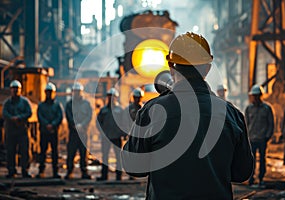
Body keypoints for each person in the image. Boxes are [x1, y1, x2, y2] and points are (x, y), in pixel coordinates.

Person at [121, 32, 254, 199]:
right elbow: (242, 173)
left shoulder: (152, 111)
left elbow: (133, 166)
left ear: (170, 68)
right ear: (207, 68)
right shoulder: (231, 114)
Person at [245, 84, 274, 186]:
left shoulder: (267, 108)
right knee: (251, 160)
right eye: (254, 96)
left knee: (262, 159)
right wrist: (247, 136)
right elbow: (246, 123)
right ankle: (251, 178)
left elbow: (271, 124)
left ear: (261, 95)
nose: (255, 98)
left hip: (262, 139)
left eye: (257, 95)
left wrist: (267, 136)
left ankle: (261, 178)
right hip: (252, 139)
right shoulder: (249, 108)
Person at [2, 80, 32, 178]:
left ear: (20, 90)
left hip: (22, 130)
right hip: (10, 131)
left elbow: (29, 112)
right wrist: (12, 118)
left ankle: (25, 170)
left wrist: (19, 117)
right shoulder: (7, 103)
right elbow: (4, 113)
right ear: (11, 90)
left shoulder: (24, 102)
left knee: (24, 151)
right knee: (10, 151)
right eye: (13, 89)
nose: (15, 91)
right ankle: (11, 170)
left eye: (17, 89)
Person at [65, 82, 92, 179]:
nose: (76, 93)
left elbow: (89, 116)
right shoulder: (69, 104)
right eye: (75, 91)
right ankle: (69, 171)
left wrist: (82, 125)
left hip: (83, 132)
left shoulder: (86, 104)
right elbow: (68, 116)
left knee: (83, 153)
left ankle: (84, 172)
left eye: (78, 91)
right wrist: (75, 125)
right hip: (73, 132)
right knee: (71, 152)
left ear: (81, 92)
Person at [96, 88, 124, 181]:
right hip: (106, 136)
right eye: (109, 96)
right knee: (105, 157)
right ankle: (104, 176)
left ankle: (118, 176)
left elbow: (124, 124)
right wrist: (102, 132)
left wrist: (122, 133)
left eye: (113, 97)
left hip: (117, 136)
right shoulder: (103, 110)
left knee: (118, 157)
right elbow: (98, 122)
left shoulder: (120, 110)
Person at [36, 82, 63, 178]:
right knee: (43, 152)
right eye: (48, 92)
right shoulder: (41, 106)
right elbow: (40, 116)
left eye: (51, 92)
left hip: (53, 132)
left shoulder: (57, 106)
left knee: (54, 152)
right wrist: (47, 124)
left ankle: (55, 172)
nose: (49, 94)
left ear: (54, 93)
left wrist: (52, 125)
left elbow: (59, 116)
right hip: (44, 132)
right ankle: (41, 171)